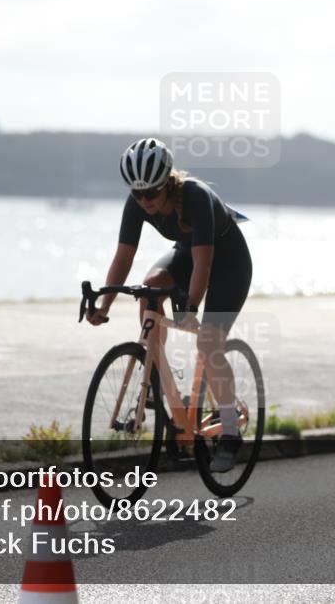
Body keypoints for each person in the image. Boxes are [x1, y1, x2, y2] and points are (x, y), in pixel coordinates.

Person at [87, 138, 252, 472]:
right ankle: (155, 370)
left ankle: (231, 431)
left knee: (208, 342)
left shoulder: (195, 196)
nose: (143, 201)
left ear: (167, 184)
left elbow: (203, 265)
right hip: (188, 254)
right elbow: (124, 257)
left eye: (150, 193)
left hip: (227, 262)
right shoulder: (136, 203)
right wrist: (104, 305)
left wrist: (190, 307)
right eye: (137, 193)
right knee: (149, 288)